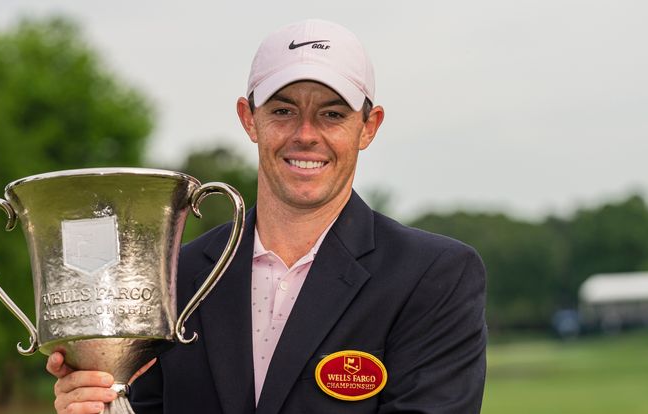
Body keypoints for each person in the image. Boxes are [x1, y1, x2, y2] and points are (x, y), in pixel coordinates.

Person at [47, 19, 487, 414]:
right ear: (249, 119)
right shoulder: (175, 278)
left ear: (369, 126)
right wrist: (99, 405)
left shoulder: (433, 276)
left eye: (332, 114)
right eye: (283, 110)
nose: (305, 135)